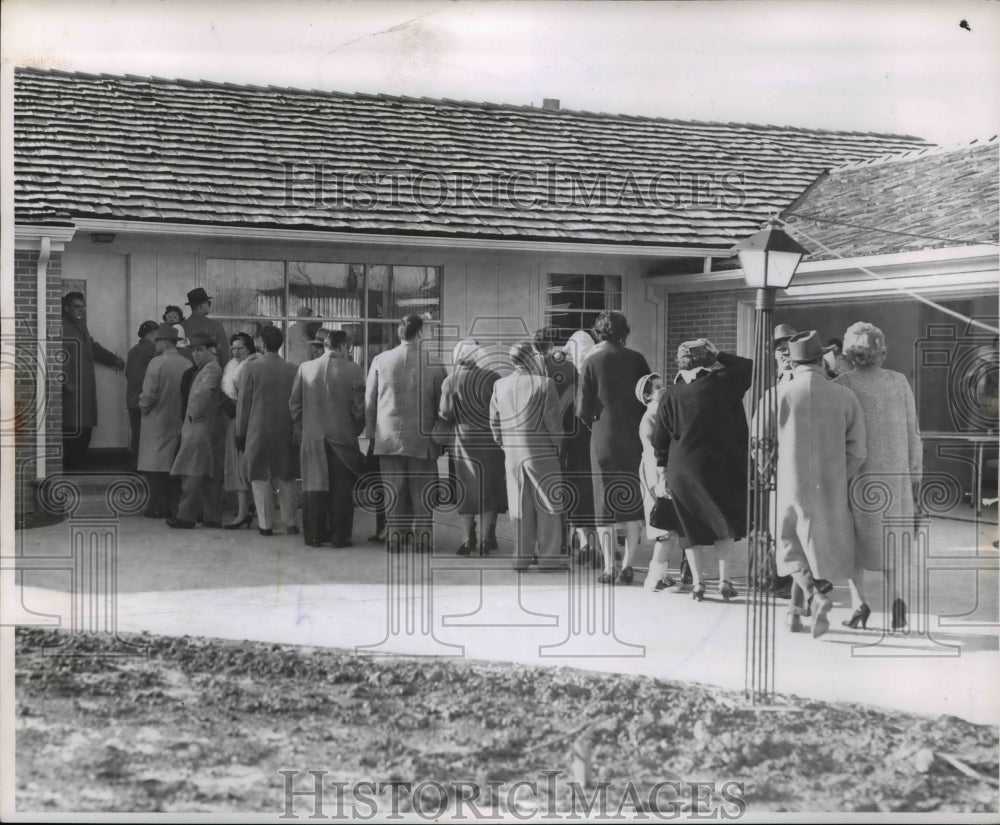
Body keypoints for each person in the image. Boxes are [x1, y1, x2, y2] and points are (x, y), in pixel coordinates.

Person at [760, 330, 867, 637]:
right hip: (830, 485)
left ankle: (812, 597)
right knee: (815, 548)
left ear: (791, 363)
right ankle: (795, 613)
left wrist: (770, 474)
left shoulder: (777, 394)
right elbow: (858, 450)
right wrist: (837, 473)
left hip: (788, 482)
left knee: (789, 547)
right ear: (822, 360)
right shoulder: (845, 396)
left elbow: (757, 442)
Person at [834, 322, 921, 632]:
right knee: (891, 545)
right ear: (881, 349)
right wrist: (914, 474)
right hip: (896, 479)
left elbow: (839, 437)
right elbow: (913, 433)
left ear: (849, 352)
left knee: (854, 544)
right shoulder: (899, 382)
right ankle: (898, 604)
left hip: (859, 478)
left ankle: (860, 606)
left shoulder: (843, 384)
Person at [652, 339, 752, 602]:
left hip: (683, 467)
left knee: (689, 528)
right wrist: (719, 352)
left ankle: (698, 583)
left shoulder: (670, 394)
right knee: (724, 524)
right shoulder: (724, 382)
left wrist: (662, 471)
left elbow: (660, 439)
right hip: (723, 464)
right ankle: (725, 581)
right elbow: (748, 366)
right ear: (707, 359)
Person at [578, 310, 651, 585]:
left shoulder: (592, 361)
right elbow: (648, 396)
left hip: (603, 437)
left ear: (599, 332)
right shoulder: (637, 359)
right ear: (624, 332)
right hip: (631, 436)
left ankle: (609, 567)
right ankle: (629, 565)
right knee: (631, 502)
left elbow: (582, 409)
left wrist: (595, 423)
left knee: (604, 504)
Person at [365, 315, 446, 552]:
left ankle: (394, 538)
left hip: (388, 438)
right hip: (423, 439)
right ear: (420, 332)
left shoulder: (381, 360)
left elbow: (369, 402)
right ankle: (422, 539)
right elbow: (443, 406)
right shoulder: (435, 363)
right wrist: (439, 436)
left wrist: (371, 435)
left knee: (393, 489)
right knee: (423, 492)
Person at [490, 340, 565, 571]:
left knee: (519, 507)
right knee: (548, 506)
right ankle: (549, 559)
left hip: (512, 454)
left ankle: (521, 558)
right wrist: (558, 445)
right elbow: (552, 422)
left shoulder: (500, 385)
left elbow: (494, 422)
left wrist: (505, 445)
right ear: (531, 358)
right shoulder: (544, 384)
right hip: (541, 451)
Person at [291, 330, 366, 547]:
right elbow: (359, 409)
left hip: (312, 438)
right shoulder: (353, 369)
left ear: (325, 345)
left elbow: (294, 404)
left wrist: (303, 428)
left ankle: (314, 535)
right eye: (348, 348)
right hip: (342, 438)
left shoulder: (305, 368)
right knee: (341, 489)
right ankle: (339, 536)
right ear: (342, 346)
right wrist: (354, 430)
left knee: (313, 487)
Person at [438, 339, 507, 555]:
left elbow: (445, 413)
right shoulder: (493, 378)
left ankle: (467, 539)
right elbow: (501, 411)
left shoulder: (450, 381)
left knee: (466, 489)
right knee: (490, 491)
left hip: (463, 441)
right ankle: (486, 540)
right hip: (491, 441)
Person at [237, 325, 300, 537]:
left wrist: (240, 432)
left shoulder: (251, 368)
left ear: (262, 344)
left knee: (260, 478)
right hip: (285, 430)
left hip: (258, 431)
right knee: (286, 477)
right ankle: (290, 522)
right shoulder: (293, 369)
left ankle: (265, 525)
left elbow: (244, 405)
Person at [635, 373, 688, 592]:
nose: (662, 388)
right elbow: (655, 452)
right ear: (647, 395)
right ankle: (654, 577)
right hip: (657, 474)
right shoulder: (652, 416)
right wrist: (661, 481)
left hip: (656, 472)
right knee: (665, 530)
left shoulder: (658, 413)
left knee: (667, 529)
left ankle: (661, 575)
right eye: (657, 388)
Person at [60, 291, 125, 469]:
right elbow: (55, 356)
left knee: (85, 429)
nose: (81, 310)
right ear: (66, 308)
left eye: (83, 306)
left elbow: (92, 346)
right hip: (71, 393)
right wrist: (65, 381)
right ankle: (71, 472)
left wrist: (112, 358)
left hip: (85, 391)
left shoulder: (81, 326)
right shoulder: (61, 326)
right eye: (76, 307)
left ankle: (76, 467)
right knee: (73, 431)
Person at [168, 332, 225, 529]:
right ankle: (212, 516)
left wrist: (193, 414)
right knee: (208, 475)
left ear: (212, 351)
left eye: (200, 350)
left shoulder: (210, 370)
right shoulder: (209, 368)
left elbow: (202, 395)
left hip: (198, 427)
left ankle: (185, 517)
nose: (195, 354)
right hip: (206, 428)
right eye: (193, 350)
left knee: (191, 473)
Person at [137, 324, 189, 518]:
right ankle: (173, 506)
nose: (155, 343)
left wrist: (144, 407)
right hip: (178, 419)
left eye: (157, 340)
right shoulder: (186, 363)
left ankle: (155, 507)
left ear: (165, 342)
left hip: (156, 419)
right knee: (175, 464)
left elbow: (149, 394)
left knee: (156, 466)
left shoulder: (156, 363)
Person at [562, 329, 601, 566]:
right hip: (597, 446)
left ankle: (584, 543)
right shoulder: (601, 381)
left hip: (575, 449)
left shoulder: (570, 384)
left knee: (577, 496)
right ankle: (599, 546)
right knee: (598, 494)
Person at [220, 332, 259, 529]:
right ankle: (246, 507)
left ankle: (245, 511)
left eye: (239, 348)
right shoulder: (233, 365)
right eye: (233, 348)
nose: (235, 351)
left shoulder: (251, 366)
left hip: (245, 421)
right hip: (234, 419)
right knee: (238, 466)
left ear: (249, 348)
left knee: (242, 466)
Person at [125, 320, 160, 469]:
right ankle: (145, 467)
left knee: (137, 435)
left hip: (132, 399)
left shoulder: (134, 350)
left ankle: (135, 465)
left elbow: (129, 374)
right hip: (146, 399)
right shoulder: (153, 349)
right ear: (152, 334)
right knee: (148, 435)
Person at [181, 288, 229, 368]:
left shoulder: (181, 326)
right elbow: (224, 354)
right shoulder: (216, 325)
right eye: (209, 303)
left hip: (186, 372)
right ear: (201, 305)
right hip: (210, 371)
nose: (209, 306)